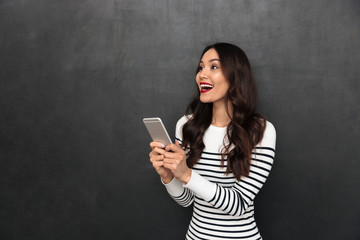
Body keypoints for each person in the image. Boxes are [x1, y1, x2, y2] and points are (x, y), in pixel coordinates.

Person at [149, 42, 276, 240]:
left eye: (213, 66)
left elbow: (239, 205)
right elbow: (186, 200)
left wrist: (187, 175)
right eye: (201, 67)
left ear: (236, 77)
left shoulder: (260, 130)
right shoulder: (186, 126)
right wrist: (169, 176)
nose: (202, 74)